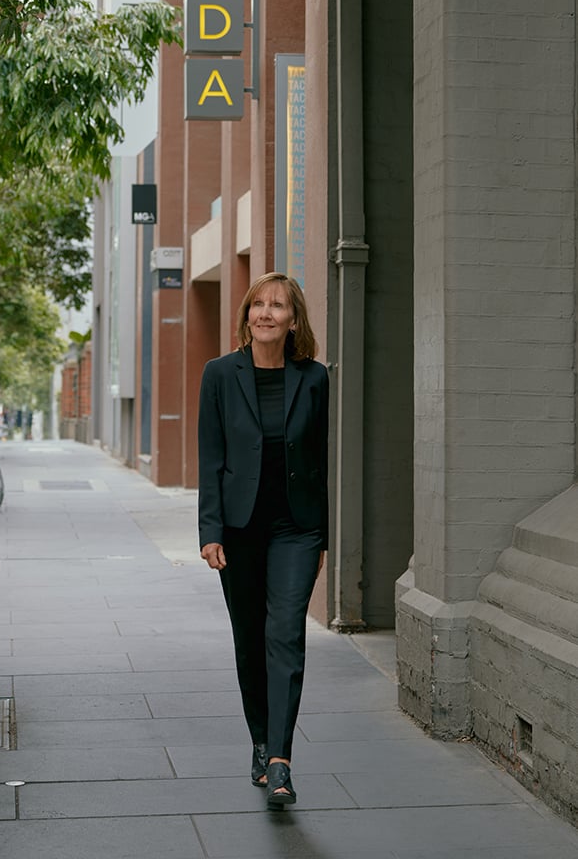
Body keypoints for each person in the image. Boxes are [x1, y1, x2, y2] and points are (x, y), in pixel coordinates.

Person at [198, 271, 329, 809]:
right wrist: (210, 530)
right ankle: (259, 740)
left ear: (293, 320)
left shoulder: (314, 378)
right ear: (247, 316)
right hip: (240, 529)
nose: (265, 313)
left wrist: (326, 536)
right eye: (258, 305)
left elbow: (324, 461)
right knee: (250, 640)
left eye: (277, 306)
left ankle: (280, 760)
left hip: (296, 528)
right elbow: (211, 456)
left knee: (286, 634)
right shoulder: (219, 375)